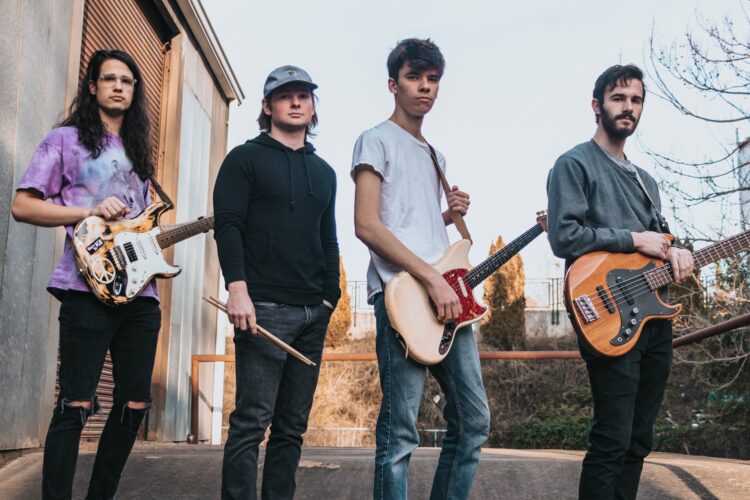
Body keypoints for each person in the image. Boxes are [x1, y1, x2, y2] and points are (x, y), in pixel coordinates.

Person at [11, 49, 160, 500]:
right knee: (76, 403)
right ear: (92, 87)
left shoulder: (139, 154)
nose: (119, 86)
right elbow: (22, 205)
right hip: (85, 288)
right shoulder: (65, 140)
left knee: (134, 404)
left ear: (134, 93)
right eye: (109, 79)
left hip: (142, 294)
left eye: (127, 81)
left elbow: (139, 227)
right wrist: (87, 210)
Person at [546, 64, 694, 500]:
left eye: (636, 100)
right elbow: (564, 236)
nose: (628, 108)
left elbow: (656, 245)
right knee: (612, 438)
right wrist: (633, 238)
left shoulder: (646, 182)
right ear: (597, 106)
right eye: (618, 98)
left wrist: (676, 252)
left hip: (653, 316)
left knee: (639, 438)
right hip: (607, 315)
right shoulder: (574, 164)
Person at [352, 38, 490, 499]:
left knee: (473, 421)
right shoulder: (375, 140)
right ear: (393, 84)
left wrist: (449, 214)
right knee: (400, 433)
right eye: (414, 78)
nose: (425, 88)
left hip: (447, 297)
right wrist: (431, 279)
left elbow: (414, 224)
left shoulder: (435, 155)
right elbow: (368, 225)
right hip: (402, 297)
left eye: (433, 80)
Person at [214, 65, 340, 500]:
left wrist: (330, 298)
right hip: (262, 307)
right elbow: (228, 225)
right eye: (285, 95)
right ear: (267, 106)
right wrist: (238, 287)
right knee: (251, 421)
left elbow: (330, 238)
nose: (296, 101)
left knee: (292, 429)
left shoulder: (324, 172)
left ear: (312, 106)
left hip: (313, 313)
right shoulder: (244, 159)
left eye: (304, 95)